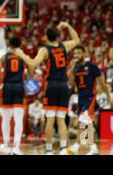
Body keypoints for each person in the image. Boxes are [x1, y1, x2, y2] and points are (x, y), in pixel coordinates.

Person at [14, 22, 80, 155]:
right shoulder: (64, 46)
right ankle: (62, 148)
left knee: (50, 119)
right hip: (63, 85)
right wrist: (67, 26)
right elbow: (77, 40)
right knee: (61, 119)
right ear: (57, 36)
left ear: (46, 37)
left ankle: (49, 150)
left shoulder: (44, 50)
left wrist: (22, 54)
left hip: (51, 85)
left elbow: (33, 63)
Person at [67, 46, 111, 155]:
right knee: (85, 123)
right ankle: (92, 148)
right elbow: (72, 84)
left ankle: (78, 146)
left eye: (78, 53)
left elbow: (101, 82)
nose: (76, 56)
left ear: (84, 53)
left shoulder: (92, 66)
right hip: (80, 98)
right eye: (75, 54)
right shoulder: (75, 67)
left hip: (90, 97)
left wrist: (108, 95)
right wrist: (72, 69)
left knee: (84, 122)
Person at [0, 36, 33, 155]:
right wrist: (29, 79)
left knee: (6, 119)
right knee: (18, 119)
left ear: (9, 44)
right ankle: (16, 147)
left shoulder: (3, 57)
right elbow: (31, 68)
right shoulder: (23, 57)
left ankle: (6, 145)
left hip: (7, 87)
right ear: (20, 45)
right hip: (19, 87)